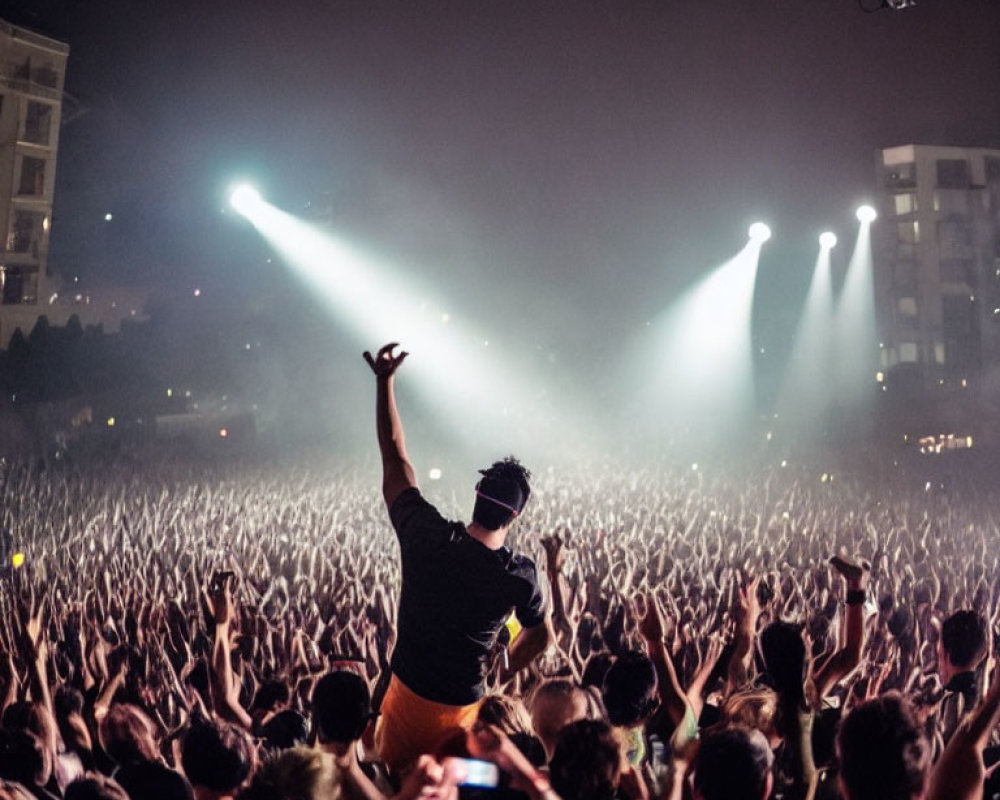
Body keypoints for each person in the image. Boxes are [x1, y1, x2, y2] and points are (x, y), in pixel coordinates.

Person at [363, 343, 552, 775]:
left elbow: (395, 459)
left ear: (476, 498)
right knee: (449, 785)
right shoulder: (518, 578)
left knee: (396, 779)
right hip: (460, 709)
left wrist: (384, 383)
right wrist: (505, 658)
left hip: (404, 695)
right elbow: (542, 635)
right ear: (516, 515)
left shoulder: (425, 534)